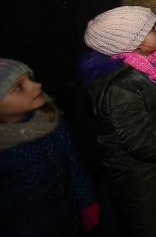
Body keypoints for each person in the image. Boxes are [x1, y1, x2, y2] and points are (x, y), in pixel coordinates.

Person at [80, 6, 156, 236]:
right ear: (129, 41)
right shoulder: (123, 87)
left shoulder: (152, 66)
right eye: (152, 29)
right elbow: (142, 142)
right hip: (146, 183)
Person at [0, 58, 100, 236]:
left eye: (30, 79)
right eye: (19, 87)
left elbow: (73, 165)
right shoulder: (6, 153)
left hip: (71, 218)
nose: (36, 85)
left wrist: (87, 200)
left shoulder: (51, 120)